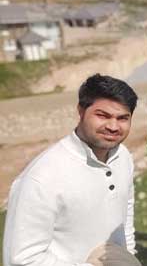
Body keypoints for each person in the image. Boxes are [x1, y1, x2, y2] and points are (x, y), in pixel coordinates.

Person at [3, 74, 139, 266]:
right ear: (81, 111)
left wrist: (128, 256)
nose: (113, 126)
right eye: (103, 115)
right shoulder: (42, 177)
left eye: (123, 118)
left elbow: (125, 214)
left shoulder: (123, 157)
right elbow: (22, 260)